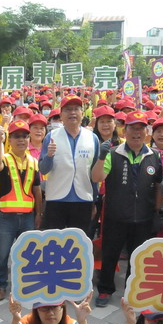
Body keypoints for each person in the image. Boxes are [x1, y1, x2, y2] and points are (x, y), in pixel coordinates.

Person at [96, 111, 163, 306]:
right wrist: (101, 157)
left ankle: (132, 291)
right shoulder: (113, 153)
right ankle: (105, 290)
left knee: (138, 257)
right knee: (110, 254)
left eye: (141, 128)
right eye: (132, 128)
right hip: (115, 216)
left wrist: (157, 212)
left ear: (147, 132)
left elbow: (158, 185)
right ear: (124, 131)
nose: (137, 132)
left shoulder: (154, 155)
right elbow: (97, 177)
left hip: (143, 217)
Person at [0, 120, 42, 301]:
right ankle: (1, 284)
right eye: (16, 136)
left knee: (28, 253)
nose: (21, 140)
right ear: (10, 140)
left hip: (28, 217)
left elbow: (37, 190)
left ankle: (26, 283)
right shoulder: (4, 158)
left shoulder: (34, 162)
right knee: (2, 254)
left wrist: (39, 214)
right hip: (6, 217)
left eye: (24, 136)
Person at [39, 95, 102, 235]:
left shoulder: (92, 138)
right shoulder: (51, 136)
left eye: (76, 109)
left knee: (79, 243)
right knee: (52, 242)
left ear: (82, 113)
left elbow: (94, 173)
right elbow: (43, 169)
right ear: (61, 114)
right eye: (67, 110)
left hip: (83, 198)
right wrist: (49, 156)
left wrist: (93, 200)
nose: (72, 113)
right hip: (56, 198)